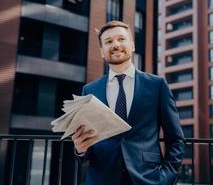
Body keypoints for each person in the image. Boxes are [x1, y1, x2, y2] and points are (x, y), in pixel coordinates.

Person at [72, 20, 185, 185]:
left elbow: (175, 138)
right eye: (108, 42)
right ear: (102, 52)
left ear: (132, 45)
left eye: (121, 39)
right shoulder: (89, 90)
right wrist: (80, 150)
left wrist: (166, 178)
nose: (115, 45)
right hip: (101, 179)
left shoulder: (157, 85)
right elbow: (86, 142)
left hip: (147, 178)